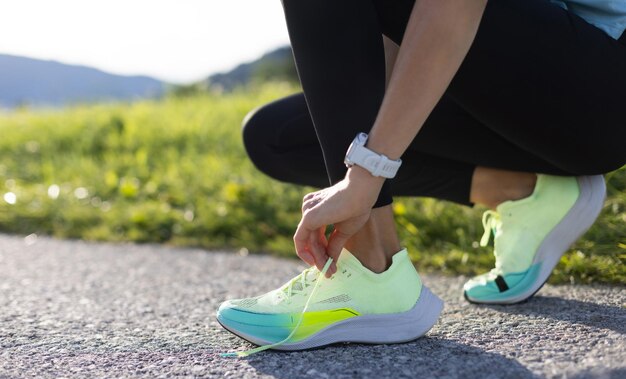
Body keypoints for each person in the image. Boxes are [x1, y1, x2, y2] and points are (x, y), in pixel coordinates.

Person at [216, 0, 626, 351]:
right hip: (524, 82)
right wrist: (364, 150)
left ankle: (369, 270)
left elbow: (453, 8)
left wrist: (367, 172)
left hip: (604, 91)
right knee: (279, 138)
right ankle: (526, 191)